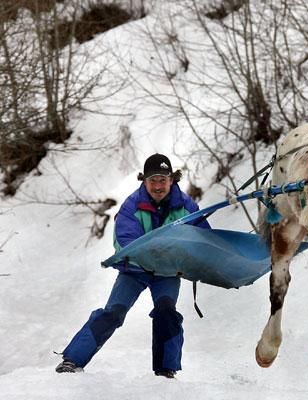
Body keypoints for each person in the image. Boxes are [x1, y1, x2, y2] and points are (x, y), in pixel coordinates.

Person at [55, 153, 210, 379]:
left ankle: (166, 370)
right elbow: (126, 241)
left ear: (172, 180)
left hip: (167, 273)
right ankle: (72, 360)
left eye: (163, 180)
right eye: (152, 180)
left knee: (166, 311)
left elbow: (204, 238)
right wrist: (163, 250)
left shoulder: (186, 206)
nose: (158, 186)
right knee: (113, 313)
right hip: (134, 270)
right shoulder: (132, 206)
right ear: (144, 181)